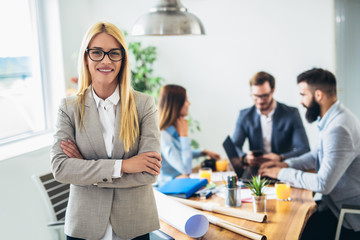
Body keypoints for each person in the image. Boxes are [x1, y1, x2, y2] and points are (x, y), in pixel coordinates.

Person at [51, 22, 162, 240]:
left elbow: (149, 172)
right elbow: (60, 167)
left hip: (134, 224)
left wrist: (85, 167)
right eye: (97, 53)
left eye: (114, 53)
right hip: (84, 223)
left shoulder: (144, 105)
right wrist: (125, 166)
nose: (106, 60)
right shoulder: (69, 108)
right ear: (86, 57)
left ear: (123, 59)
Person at [259, 68, 360, 239]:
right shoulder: (333, 118)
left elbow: (323, 184)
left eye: (303, 94)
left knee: (290, 230)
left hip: (346, 216)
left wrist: (280, 173)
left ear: (318, 95)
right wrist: (285, 164)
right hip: (334, 206)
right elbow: (316, 156)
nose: (300, 101)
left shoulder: (338, 128)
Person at [232, 71, 310, 169]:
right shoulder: (245, 115)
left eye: (264, 96)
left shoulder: (291, 113)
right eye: (255, 96)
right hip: (256, 170)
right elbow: (234, 146)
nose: (260, 101)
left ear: (273, 91)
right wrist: (245, 157)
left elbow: (304, 149)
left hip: (282, 168)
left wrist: (281, 157)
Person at [157, 84, 220, 186]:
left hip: (180, 183)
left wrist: (202, 152)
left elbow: (178, 153)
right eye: (186, 100)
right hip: (169, 189)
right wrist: (184, 136)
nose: (189, 104)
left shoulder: (172, 130)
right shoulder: (164, 136)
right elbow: (185, 169)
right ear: (176, 104)